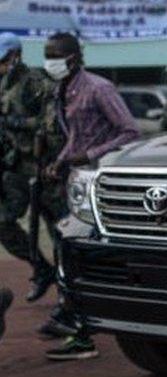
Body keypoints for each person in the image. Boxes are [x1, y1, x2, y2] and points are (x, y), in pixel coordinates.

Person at [41, 32, 140, 360]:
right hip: (76, 182)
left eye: (54, 55)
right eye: (46, 55)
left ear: (73, 57)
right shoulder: (63, 90)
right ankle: (73, 320)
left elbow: (129, 131)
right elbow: (75, 137)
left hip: (102, 183)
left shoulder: (99, 88)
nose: (49, 61)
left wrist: (91, 155)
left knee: (89, 254)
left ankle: (85, 327)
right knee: (67, 250)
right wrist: (60, 162)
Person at [0, 32, 59, 302]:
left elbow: (51, 124)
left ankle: (68, 289)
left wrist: (16, 121)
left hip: (42, 168)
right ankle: (41, 268)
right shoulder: (4, 84)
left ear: (15, 56)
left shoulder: (35, 81)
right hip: (15, 168)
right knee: (3, 223)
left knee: (55, 227)